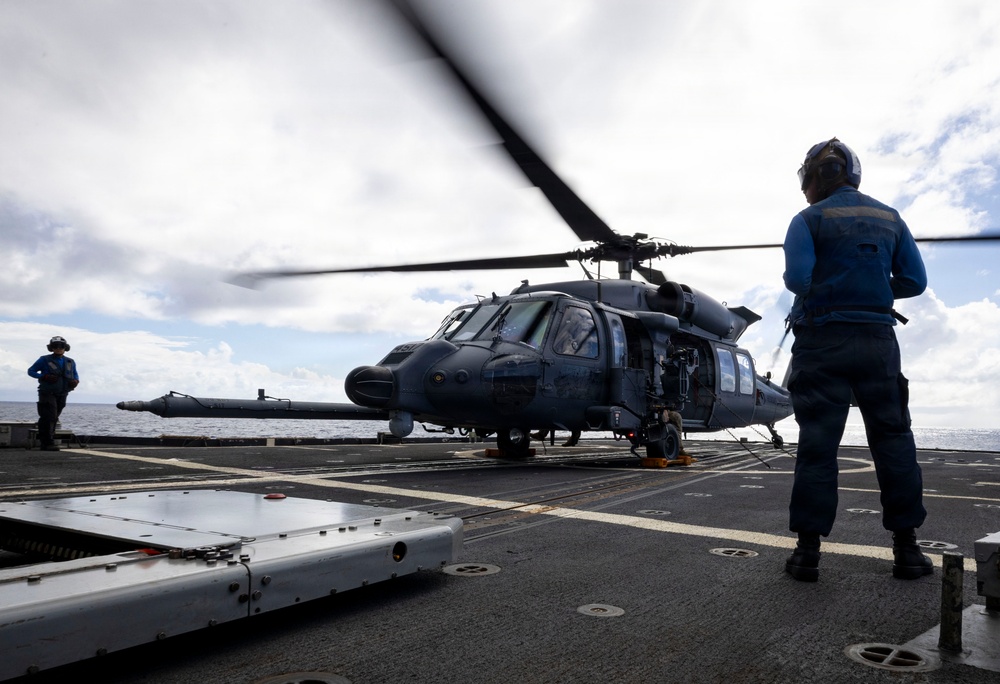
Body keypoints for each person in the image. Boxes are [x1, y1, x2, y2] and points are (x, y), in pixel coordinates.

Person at [782, 138, 931, 582]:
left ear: (814, 177)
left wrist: (831, 286)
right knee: (893, 440)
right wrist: (874, 288)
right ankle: (907, 549)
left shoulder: (807, 219)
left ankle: (807, 553)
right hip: (877, 344)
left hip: (822, 343)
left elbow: (798, 279)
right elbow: (915, 281)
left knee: (817, 446)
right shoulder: (891, 218)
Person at [27, 335, 79, 451]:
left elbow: (75, 374)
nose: (58, 348)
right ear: (51, 348)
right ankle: (47, 443)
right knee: (49, 416)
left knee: (54, 417)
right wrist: (44, 376)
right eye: (55, 346)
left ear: (65, 347)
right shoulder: (44, 360)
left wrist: (76, 381)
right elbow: (31, 371)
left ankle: (48, 440)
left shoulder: (70, 361)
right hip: (47, 392)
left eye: (61, 346)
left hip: (63, 393)